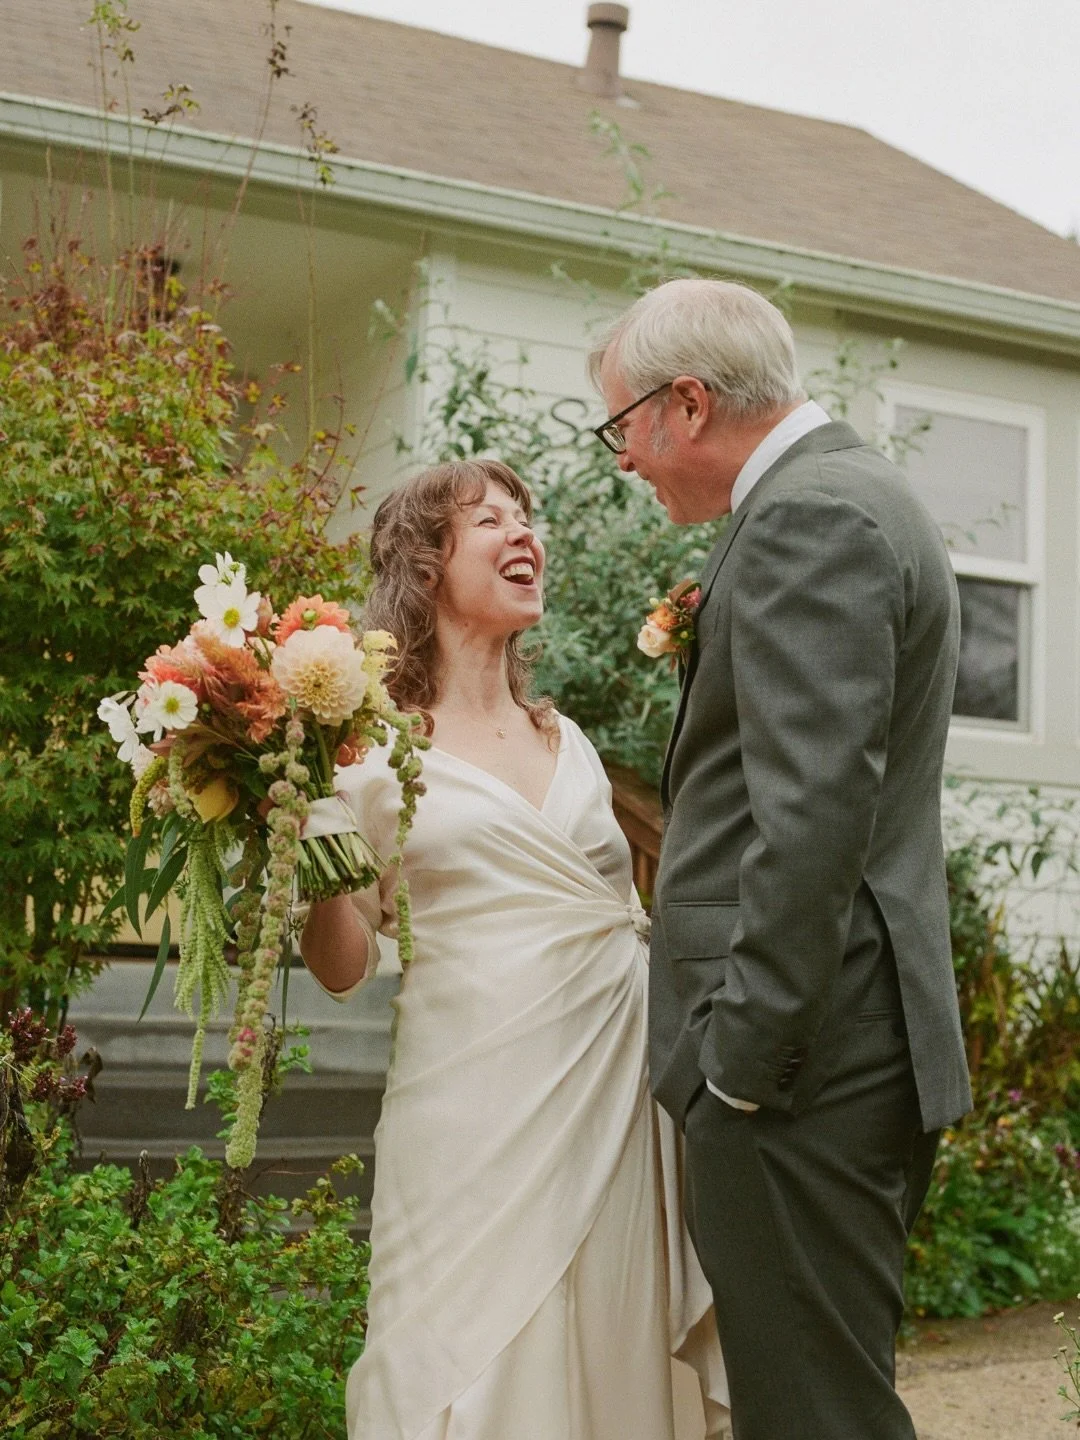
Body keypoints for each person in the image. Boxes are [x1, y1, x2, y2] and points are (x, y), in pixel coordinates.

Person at [590, 277, 972, 1440]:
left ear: (688, 405)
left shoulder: (814, 518)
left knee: (814, 1413)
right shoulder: (845, 499)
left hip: (802, 1068)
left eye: (623, 427)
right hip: (836, 1050)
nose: (624, 461)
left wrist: (740, 1062)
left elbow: (811, 820)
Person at [300, 458, 728, 1440]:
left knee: (611, 1339)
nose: (523, 533)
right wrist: (308, 851)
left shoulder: (567, 741)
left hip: (618, 1098)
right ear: (423, 563)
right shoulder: (368, 751)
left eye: (526, 517)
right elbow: (342, 965)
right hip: (469, 1111)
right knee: (463, 1355)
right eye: (488, 520)